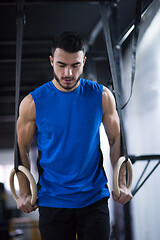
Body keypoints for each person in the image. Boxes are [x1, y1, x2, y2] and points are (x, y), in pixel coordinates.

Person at [16, 31, 133, 240]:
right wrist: (24, 191)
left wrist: (121, 182)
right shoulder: (32, 103)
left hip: (94, 198)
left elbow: (116, 139)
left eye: (75, 65)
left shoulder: (102, 96)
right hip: (52, 201)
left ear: (84, 61)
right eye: (61, 65)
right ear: (51, 61)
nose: (68, 72)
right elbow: (21, 147)